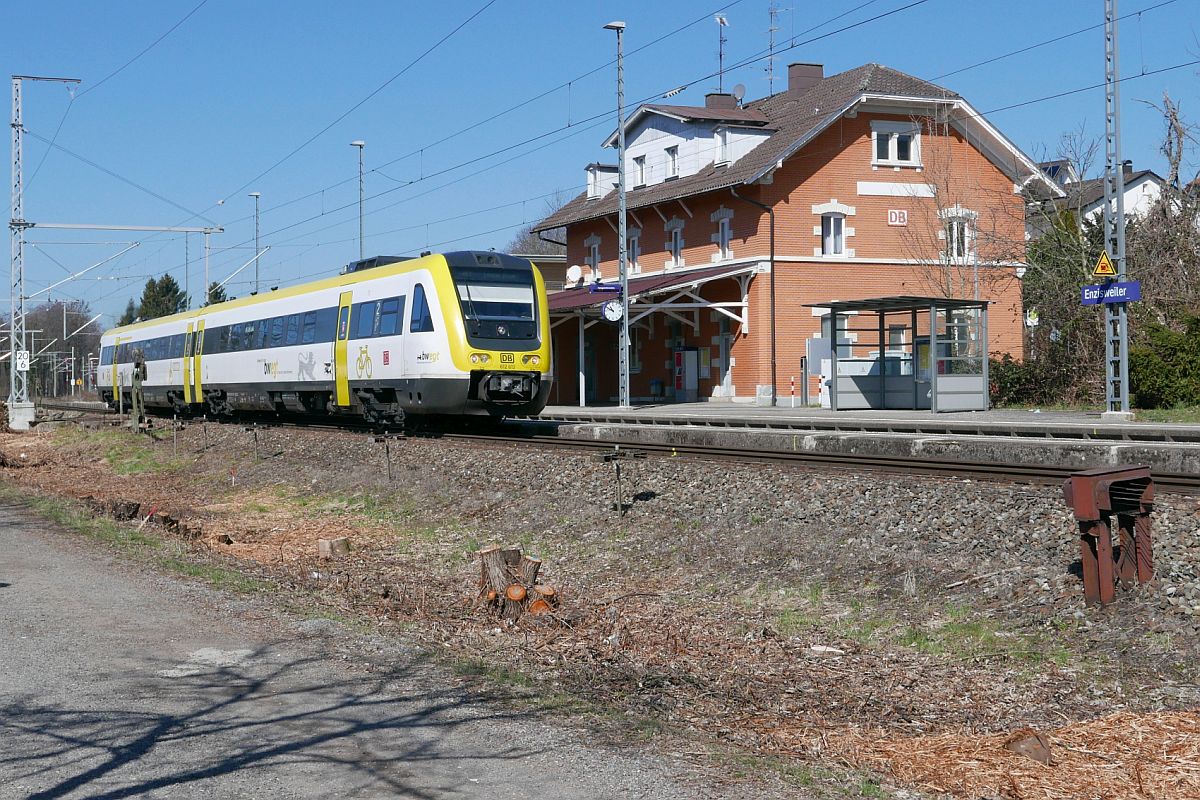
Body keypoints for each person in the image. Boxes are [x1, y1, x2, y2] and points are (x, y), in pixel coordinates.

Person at [129, 349, 147, 431]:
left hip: (137, 384)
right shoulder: (142, 364)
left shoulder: (139, 365)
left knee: (137, 398)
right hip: (138, 384)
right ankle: (141, 416)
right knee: (139, 399)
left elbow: (139, 375)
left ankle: (139, 416)